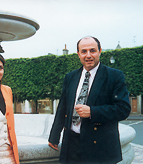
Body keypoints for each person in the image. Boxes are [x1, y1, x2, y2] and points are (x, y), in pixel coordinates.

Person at [48, 36, 131, 164]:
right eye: (84, 51)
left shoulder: (114, 76)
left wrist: (92, 112)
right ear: (78, 54)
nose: (88, 55)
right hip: (72, 145)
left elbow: (123, 109)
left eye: (92, 50)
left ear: (100, 51)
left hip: (99, 146)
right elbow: (63, 107)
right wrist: (54, 135)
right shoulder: (70, 77)